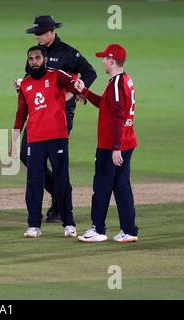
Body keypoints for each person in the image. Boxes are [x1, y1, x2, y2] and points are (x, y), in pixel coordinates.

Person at [15, 15, 97, 222]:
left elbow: (90, 72)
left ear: (52, 32)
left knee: (56, 162)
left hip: (60, 114)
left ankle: (60, 207)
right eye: (36, 34)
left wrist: (76, 92)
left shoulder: (68, 53)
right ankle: (60, 196)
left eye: (40, 34)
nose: (38, 37)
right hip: (37, 114)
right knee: (26, 155)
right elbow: (29, 78)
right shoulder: (35, 54)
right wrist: (21, 85)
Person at [10, 45, 79, 239]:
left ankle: (69, 222)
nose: (34, 62)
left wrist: (79, 92)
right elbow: (20, 114)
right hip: (35, 139)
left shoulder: (57, 75)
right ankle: (34, 225)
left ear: (45, 59)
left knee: (61, 179)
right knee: (34, 182)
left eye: (37, 58)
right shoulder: (25, 84)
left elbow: (74, 84)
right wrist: (14, 140)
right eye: (31, 59)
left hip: (58, 137)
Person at [75, 44, 139, 243]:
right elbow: (106, 105)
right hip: (126, 142)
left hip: (112, 145)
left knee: (102, 186)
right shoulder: (124, 80)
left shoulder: (117, 83)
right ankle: (129, 230)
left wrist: (116, 147)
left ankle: (98, 229)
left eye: (104, 58)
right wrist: (85, 92)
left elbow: (118, 115)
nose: (102, 61)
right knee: (121, 186)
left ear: (112, 61)